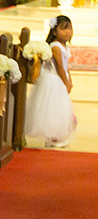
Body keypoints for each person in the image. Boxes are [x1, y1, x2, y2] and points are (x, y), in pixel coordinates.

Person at [25, 15, 77, 148]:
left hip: (59, 79)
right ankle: (51, 138)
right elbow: (59, 67)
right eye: (63, 29)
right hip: (53, 80)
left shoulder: (63, 46)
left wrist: (69, 78)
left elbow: (65, 67)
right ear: (54, 31)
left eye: (69, 29)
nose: (67, 32)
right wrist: (66, 82)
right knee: (52, 109)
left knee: (59, 108)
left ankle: (54, 137)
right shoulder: (55, 47)